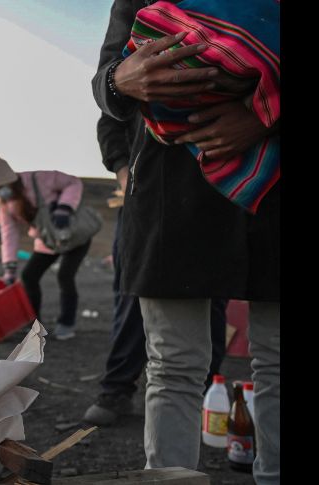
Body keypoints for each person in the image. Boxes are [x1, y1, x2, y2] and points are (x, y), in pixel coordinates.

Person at [92, 1, 279, 482]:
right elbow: (105, 81)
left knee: (278, 359)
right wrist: (122, 80)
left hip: (272, 180)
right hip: (171, 188)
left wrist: (263, 117)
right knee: (174, 365)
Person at [82, 112, 229, 426]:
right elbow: (111, 118)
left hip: (217, 192)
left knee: (213, 297)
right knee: (133, 292)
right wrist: (125, 173)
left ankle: (206, 393)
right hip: (145, 195)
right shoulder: (127, 68)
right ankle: (117, 388)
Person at [0, 149, 90, 341]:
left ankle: (66, 323)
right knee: (29, 276)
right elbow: (9, 233)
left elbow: (73, 182)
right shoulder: (5, 203)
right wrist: (9, 268)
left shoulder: (39, 179)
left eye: (2, 187)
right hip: (47, 240)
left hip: (72, 234)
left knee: (65, 275)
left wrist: (64, 208)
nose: (0, 192)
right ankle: (34, 324)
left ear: (12, 180)